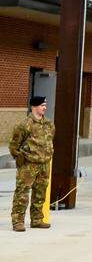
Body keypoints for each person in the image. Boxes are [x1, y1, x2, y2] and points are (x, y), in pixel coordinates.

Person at [9, 95, 54, 232]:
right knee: (22, 193)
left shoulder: (48, 124)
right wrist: (19, 157)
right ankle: (18, 221)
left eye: (45, 105)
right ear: (34, 107)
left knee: (40, 193)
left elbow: (50, 140)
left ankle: (37, 219)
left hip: (44, 164)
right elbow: (13, 145)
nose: (45, 108)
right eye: (42, 105)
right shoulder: (24, 125)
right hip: (28, 164)